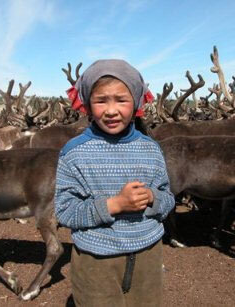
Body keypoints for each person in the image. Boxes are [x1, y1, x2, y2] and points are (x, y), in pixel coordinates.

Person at [54, 59, 175, 307]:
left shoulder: (151, 149)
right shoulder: (75, 153)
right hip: (96, 262)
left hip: (148, 256)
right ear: (88, 104)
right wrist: (114, 205)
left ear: (137, 103)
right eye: (101, 101)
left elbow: (168, 199)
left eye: (121, 100)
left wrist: (152, 198)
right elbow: (65, 211)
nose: (111, 110)